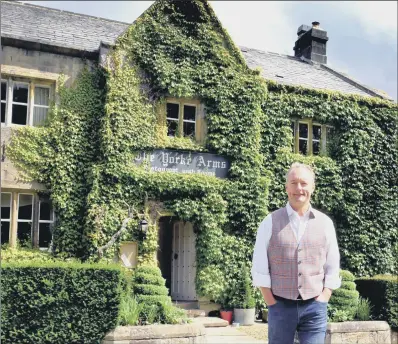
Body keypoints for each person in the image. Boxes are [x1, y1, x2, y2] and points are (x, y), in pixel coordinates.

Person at [251, 162, 341, 344]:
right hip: (280, 306)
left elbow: (332, 264)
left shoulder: (325, 223)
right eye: (293, 183)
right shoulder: (269, 222)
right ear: (286, 187)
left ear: (312, 187)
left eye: (304, 183)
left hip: (314, 307)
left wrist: (324, 297)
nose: (299, 188)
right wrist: (271, 303)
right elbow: (259, 266)